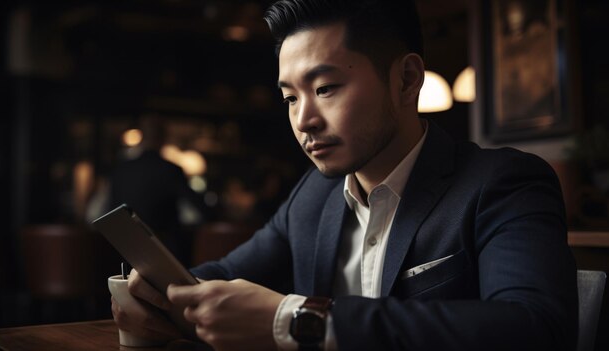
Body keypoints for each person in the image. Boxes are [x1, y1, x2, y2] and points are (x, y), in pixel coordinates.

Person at [111, 1, 578, 350]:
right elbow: (225, 276)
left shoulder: (503, 182)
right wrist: (159, 296)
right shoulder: (313, 194)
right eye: (290, 97)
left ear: (407, 79)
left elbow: (533, 328)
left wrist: (298, 320)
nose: (303, 119)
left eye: (325, 88)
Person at [108, 116, 207, 265]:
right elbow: (201, 208)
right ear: (163, 138)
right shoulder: (171, 170)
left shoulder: (121, 170)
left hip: (126, 253)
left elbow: (111, 212)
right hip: (165, 254)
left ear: (141, 137)